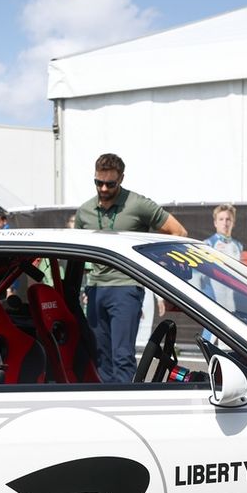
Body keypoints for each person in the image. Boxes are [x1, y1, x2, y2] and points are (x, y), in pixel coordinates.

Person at [73, 152, 187, 382]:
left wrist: (158, 267)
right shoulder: (84, 212)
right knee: (100, 357)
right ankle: (106, 401)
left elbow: (179, 232)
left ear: (122, 179)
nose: (103, 188)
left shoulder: (137, 204)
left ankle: (126, 400)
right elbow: (77, 256)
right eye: (98, 182)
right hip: (94, 289)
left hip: (126, 287)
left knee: (122, 357)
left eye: (110, 184)